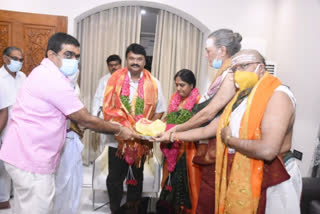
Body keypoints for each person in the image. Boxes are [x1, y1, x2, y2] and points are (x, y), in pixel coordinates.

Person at [0, 32, 138, 214]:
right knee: (37, 208)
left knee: (24, 205)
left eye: (76, 56)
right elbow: (84, 118)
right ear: (51, 55)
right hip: (32, 158)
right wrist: (120, 129)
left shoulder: (44, 72)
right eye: (68, 55)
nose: (74, 60)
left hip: (25, 154)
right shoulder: (52, 79)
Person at [155, 49, 302, 214]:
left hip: (275, 178)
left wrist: (230, 140)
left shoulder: (278, 95)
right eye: (235, 69)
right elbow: (208, 130)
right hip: (245, 174)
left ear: (261, 68)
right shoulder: (242, 99)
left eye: (244, 66)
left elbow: (267, 150)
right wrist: (171, 135)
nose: (238, 73)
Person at [156, 29, 242, 213]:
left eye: (208, 50)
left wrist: (175, 130)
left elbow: (208, 114)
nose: (205, 55)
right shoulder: (222, 75)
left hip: (217, 149)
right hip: (206, 141)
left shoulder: (232, 75)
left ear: (222, 50)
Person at [103, 43, 166, 213]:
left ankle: (133, 210)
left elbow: (160, 110)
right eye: (132, 58)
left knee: (136, 178)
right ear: (126, 60)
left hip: (140, 142)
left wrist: (145, 129)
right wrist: (123, 128)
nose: (135, 62)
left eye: (139, 59)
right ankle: (115, 209)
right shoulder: (114, 80)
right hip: (118, 141)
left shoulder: (154, 83)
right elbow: (107, 108)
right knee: (115, 178)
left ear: (145, 61)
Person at [157, 69, 201, 214]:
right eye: (176, 85)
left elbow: (199, 126)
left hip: (187, 150)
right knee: (169, 184)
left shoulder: (199, 101)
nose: (178, 89)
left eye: (182, 85)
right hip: (171, 148)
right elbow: (169, 119)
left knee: (182, 186)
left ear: (191, 85)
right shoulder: (174, 98)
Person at [53, 69, 83, 214]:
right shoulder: (55, 85)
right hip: (59, 139)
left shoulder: (75, 85)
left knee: (73, 180)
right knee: (61, 181)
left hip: (72, 138)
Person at [0, 46, 26, 209]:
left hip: (22, 129)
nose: (18, 63)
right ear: (5, 58)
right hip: (4, 128)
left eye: (21, 60)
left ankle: (11, 194)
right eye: (15, 59)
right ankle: (2, 198)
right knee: (3, 166)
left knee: (17, 166)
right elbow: (3, 111)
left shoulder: (23, 77)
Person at [92, 54, 122, 152]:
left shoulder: (126, 78)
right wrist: (94, 117)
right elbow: (97, 98)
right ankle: (104, 165)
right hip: (105, 116)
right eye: (111, 65)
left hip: (121, 117)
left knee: (120, 142)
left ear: (120, 65)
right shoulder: (103, 80)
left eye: (116, 64)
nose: (113, 67)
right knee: (104, 143)